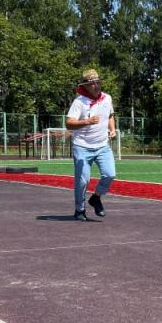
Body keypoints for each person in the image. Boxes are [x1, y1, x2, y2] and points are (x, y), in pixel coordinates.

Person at [66, 69, 117, 221]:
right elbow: (69, 124)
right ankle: (79, 210)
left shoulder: (107, 98)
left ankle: (96, 198)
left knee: (110, 174)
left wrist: (112, 129)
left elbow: (110, 115)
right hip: (82, 146)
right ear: (86, 86)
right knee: (83, 181)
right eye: (92, 83)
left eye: (97, 82)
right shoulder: (79, 102)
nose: (96, 85)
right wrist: (87, 121)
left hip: (102, 145)